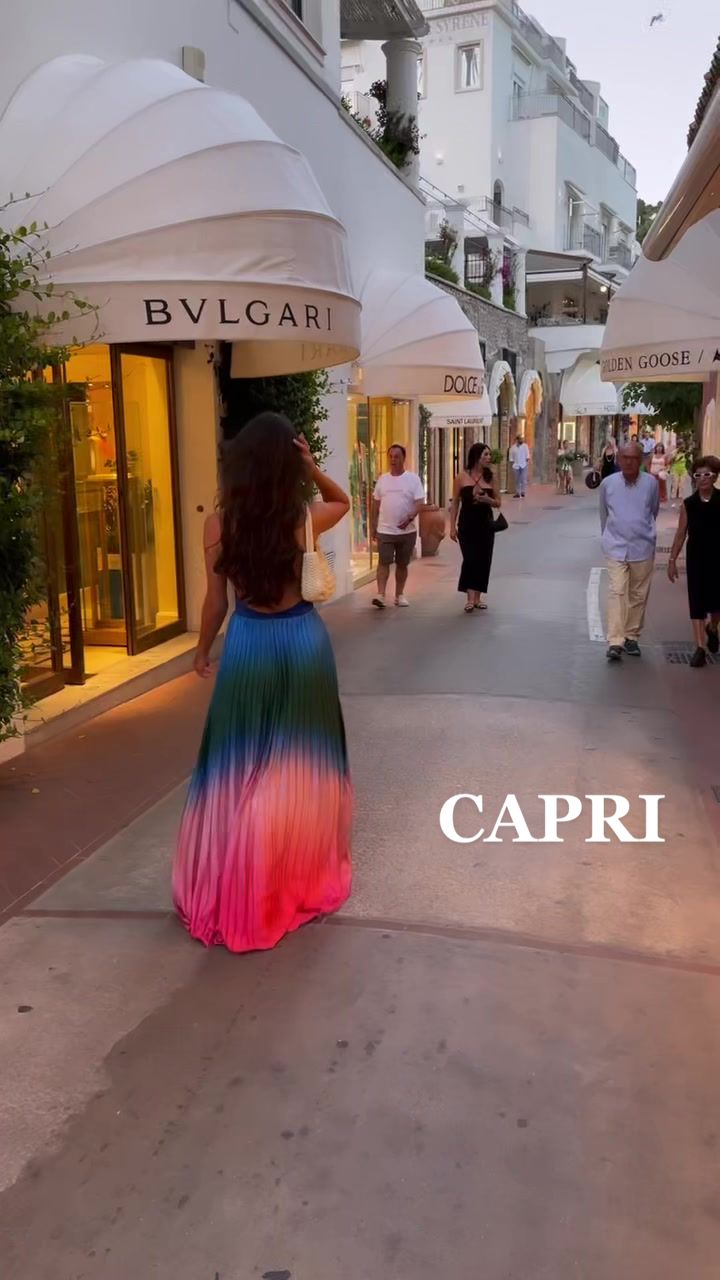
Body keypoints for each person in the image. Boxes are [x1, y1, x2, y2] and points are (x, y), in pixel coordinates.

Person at [173, 413, 353, 953]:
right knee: (298, 763)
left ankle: (242, 866)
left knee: (242, 758)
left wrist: (202, 650)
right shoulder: (304, 518)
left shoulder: (219, 525)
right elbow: (343, 501)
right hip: (302, 643)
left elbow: (215, 602)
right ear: (286, 464)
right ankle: (280, 867)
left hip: (248, 644)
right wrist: (313, 468)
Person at [599, 441, 660, 662]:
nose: (629, 462)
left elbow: (653, 510)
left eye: (634, 458)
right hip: (615, 545)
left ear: (641, 460)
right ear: (618, 459)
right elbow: (604, 513)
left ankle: (631, 636)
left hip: (642, 546)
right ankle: (615, 641)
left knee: (638, 594)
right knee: (616, 591)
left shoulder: (651, 484)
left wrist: (645, 533)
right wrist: (607, 537)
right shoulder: (608, 484)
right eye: (625, 458)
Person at [667, 455, 720, 667]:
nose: (702, 478)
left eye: (707, 474)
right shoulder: (689, 504)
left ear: (715, 477)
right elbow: (681, 533)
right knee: (696, 599)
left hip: (718, 556)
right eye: (698, 475)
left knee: (717, 601)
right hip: (696, 556)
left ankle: (713, 627)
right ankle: (700, 648)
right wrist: (672, 559)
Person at [371, 444, 425, 609]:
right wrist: (373, 526)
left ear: (403, 459)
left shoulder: (413, 479)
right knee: (383, 562)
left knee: (402, 564)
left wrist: (410, 517)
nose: (393, 460)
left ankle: (399, 595)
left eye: (396, 457)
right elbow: (375, 504)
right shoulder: (382, 480)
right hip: (385, 530)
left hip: (407, 532)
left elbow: (420, 502)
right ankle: (380, 595)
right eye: (391, 457)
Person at [450, 442, 502, 612]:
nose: (488, 458)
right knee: (470, 559)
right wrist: (452, 527)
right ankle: (470, 599)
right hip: (466, 524)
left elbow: (498, 502)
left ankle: (477, 598)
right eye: (485, 454)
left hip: (485, 524)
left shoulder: (491, 477)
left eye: (489, 454)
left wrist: (487, 500)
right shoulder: (461, 477)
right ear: (476, 456)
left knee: (483, 560)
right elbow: (455, 502)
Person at [509, 433, 530, 499]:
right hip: (516, 466)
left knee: (523, 479)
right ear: (517, 440)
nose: (522, 440)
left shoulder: (525, 446)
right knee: (517, 480)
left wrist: (526, 462)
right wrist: (513, 464)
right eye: (520, 439)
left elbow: (527, 455)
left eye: (522, 439)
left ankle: (523, 492)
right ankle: (518, 493)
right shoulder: (513, 448)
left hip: (524, 465)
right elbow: (511, 457)